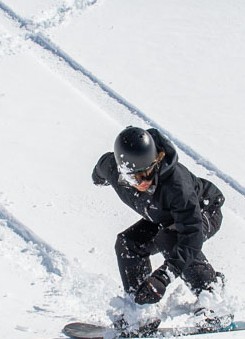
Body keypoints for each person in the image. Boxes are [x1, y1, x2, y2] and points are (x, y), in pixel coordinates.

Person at [92, 126, 226, 310]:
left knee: (169, 238)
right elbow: (101, 168)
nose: (142, 183)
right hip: (164, 217)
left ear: (157, 161)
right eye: (133, 179)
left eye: (147, 174)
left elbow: (191, 237)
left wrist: (163, 276)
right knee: (128, 244)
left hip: (204, 211)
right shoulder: (113, 170)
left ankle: (212, 295)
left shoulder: (177, 186)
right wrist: (97, 178)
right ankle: (140, 310)